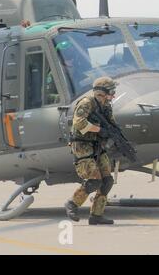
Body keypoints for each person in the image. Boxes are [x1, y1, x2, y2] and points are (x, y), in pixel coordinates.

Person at [64, 77, 118, 225]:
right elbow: (79, 123)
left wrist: (116, 138)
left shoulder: (106, 106)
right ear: (102, 92)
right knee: (95, 181)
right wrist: (100, 130)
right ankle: (72, 204)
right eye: (111, 91)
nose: (113, 95)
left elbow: (112, 125)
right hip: (82, 145)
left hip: (98, 145)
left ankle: (96, 215)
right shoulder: (87, 103)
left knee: (107, 181)